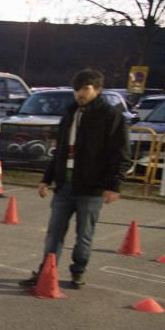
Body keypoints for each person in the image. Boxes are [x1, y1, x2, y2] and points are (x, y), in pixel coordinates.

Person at [20, 69, 128, 289]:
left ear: (97, 89)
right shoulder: (69, 113)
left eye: (86, 89)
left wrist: (113, 185)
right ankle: (46, 272)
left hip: (91, 187)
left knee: (84, 236)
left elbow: (120, 153)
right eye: (77, 89)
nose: (80, 93)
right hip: (64, 185)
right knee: (54, 234)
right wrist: (46, 179)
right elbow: (59, 150)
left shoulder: (110, 116)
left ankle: (78, 271)